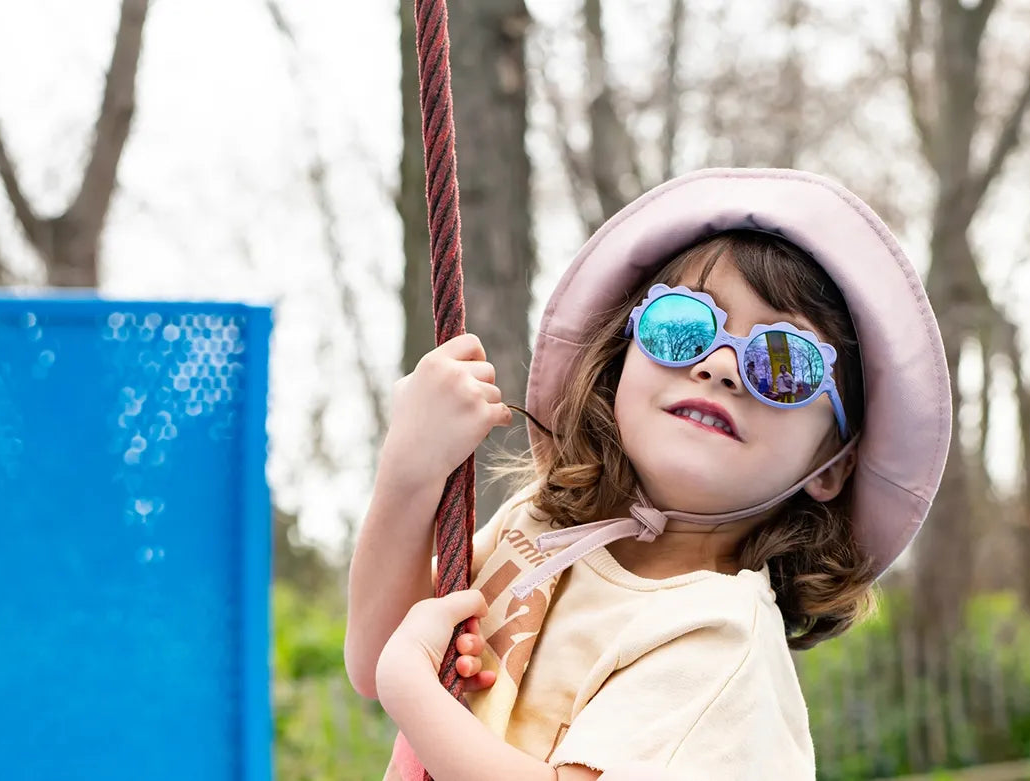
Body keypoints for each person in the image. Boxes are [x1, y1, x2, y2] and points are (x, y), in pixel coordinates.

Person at [345, 169, 952, 780]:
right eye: (681, 325)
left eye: (782, 362)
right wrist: (409, 472)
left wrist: (414, 690)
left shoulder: (719, 636)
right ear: (619, 364)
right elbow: (378, 654)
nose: (719, 366)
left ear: (831, 468)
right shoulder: (543, 525)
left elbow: (396, 672)